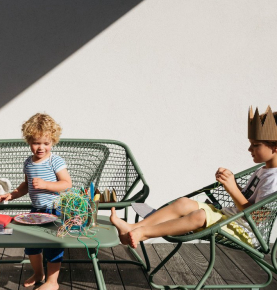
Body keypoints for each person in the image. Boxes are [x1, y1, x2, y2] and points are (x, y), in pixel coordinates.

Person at [111, 106, 277, 249]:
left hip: (246, 233)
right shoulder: (263, 170)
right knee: (184, 203)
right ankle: (133, 228)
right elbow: (247, 200)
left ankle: (141, 232)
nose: (250, 149)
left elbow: (256, 218)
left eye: (256, 145)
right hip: (230, 218)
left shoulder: (274, 179)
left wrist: (232, 188)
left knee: (199, 216)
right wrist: (232, 182)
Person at [0, 113, 72, 290]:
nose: (41, 147)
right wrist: (12, 195)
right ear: (29, 141)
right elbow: (26, 185)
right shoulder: (28, 163)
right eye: (36, 142)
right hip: (36, 210)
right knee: (31, 245)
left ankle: (53, 281)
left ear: (52, 142)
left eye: (46, 143)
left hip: (54, 209)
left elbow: (66, 183)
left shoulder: (55, 161)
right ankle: (39, 274)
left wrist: (47, 185)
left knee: (52, 245)